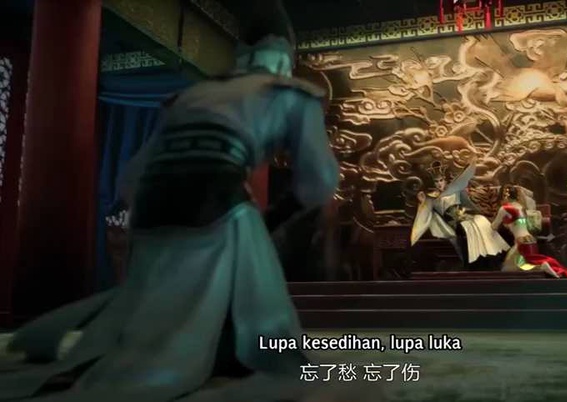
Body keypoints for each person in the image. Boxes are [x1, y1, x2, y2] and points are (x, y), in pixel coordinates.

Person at [0, 32, 340, 401]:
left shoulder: (190, 96)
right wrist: (279, 214)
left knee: (153, 295)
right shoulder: (292, 95)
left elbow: (132, 175)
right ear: (286, 62)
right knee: (258, 278)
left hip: (151, 205)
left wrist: (137, 211)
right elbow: (321, 180)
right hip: (218, 203)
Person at [411, 159, 509, 267]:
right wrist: (422, 201)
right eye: (436, 181)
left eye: (441, 180)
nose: (439, 184)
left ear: (445, 181)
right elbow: (425, 212)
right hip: (452, 221)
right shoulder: (431, 197)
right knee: (468, 228)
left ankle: (491, 256)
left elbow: (468, 203)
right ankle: (475, 260)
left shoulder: (455, 190)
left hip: (465, 214)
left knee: (482, 221)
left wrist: (479, 212)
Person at [491, 185, 567, 279]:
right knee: (520, 265)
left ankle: (541, 267)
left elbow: (494, 226)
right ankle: (541, 267)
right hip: (530, 240)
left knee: (508, 269)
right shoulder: (521, 207)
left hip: (520, 243)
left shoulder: (505, 208)